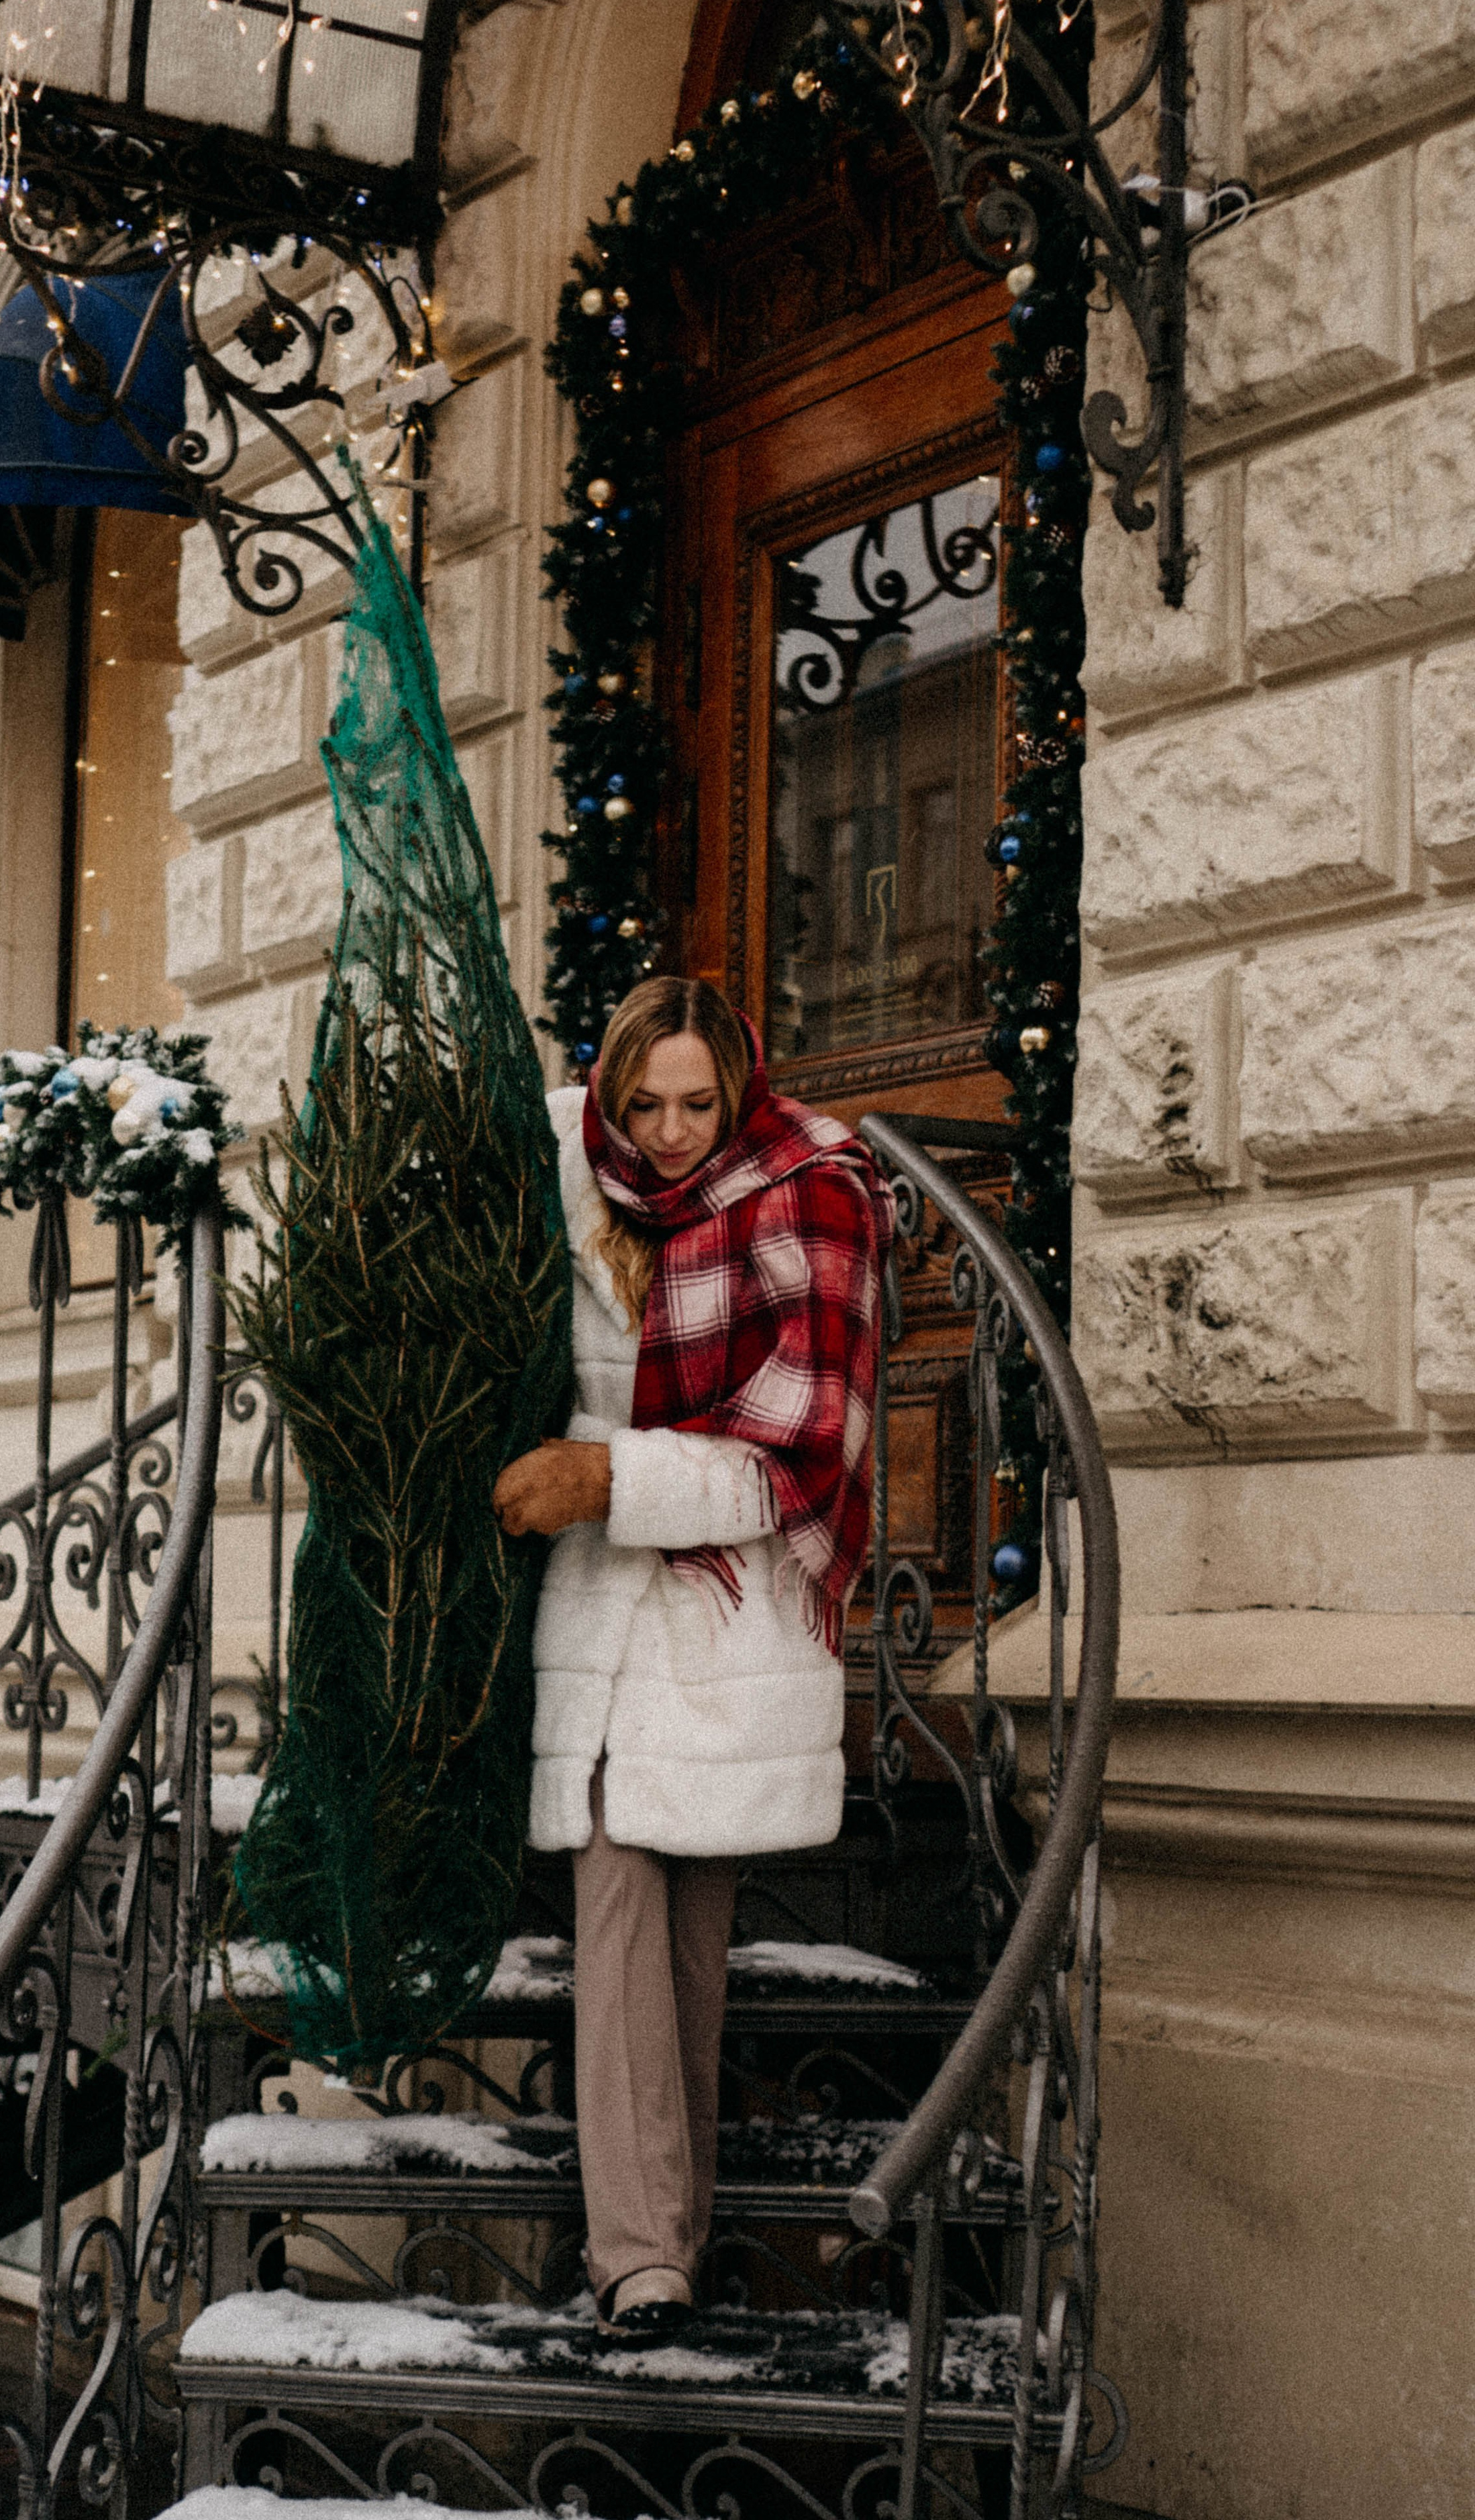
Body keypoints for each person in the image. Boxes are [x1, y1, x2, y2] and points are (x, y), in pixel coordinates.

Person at [493, 976, 895, 2346]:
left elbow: (801, 1456)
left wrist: (609, 1477)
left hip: (727, 1610)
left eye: (694, 1103)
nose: (666, 1132)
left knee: (689, 1953)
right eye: (640, 1102)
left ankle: (669, 2231)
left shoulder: (805, 1198)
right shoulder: (564, 1172)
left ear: (738, 1091)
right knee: (611, 1912)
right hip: (600, 1606)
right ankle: (642, 2256)